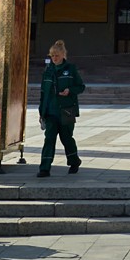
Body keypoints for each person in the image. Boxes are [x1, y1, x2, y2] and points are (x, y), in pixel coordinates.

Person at [37, 40, 84, 177]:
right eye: (52, 56)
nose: (54, 58)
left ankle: (74, 161)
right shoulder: (48, 71)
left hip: (66, 110)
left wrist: (70, 90)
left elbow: (81, 87)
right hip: (50, 111)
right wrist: (41, 112)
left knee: (66, 138)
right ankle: (44, 168)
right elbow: (43, 93)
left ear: (63, 55)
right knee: (49, 138)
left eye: (57, 55)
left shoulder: (71, 69)